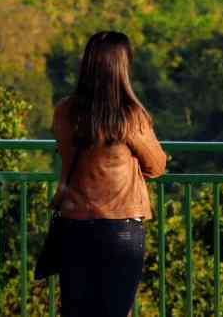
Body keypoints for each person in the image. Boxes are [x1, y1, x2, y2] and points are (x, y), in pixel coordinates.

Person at [52, 30, 168, 317]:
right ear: (122, 67)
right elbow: (156, 166)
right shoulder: (129, 116)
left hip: (73, 224)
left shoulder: (66, 111)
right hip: (120, 228)